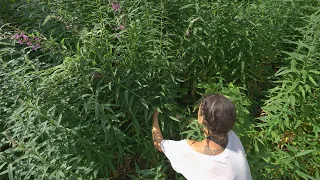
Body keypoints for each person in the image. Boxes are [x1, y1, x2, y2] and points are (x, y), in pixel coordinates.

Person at [152, 93, 252, 180]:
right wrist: (183, 119)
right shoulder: (232, 137)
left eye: (199, 112)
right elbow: (211, 127)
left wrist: (155, 116)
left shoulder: (193, 151)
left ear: (202, 119)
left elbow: (159, 144)